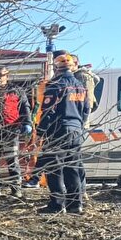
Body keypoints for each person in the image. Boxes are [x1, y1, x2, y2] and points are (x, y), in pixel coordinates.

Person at [36, 50, 90, 214]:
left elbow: (48, 111)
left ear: (57, 68)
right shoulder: (80, 86)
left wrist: (40, 132)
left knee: (53, 168)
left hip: (58, 130)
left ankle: (57, 205)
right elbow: (86, 110)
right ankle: (75, 205)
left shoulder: (56, 85)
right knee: (72, 168)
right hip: (76, 130)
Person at [0, 66, 33, 198]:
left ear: (7, 76)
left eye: (0, 75)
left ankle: (16, 189)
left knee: (12, 160)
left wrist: (27, 123)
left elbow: (25, 108)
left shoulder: (16, 91)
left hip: (11, 129)